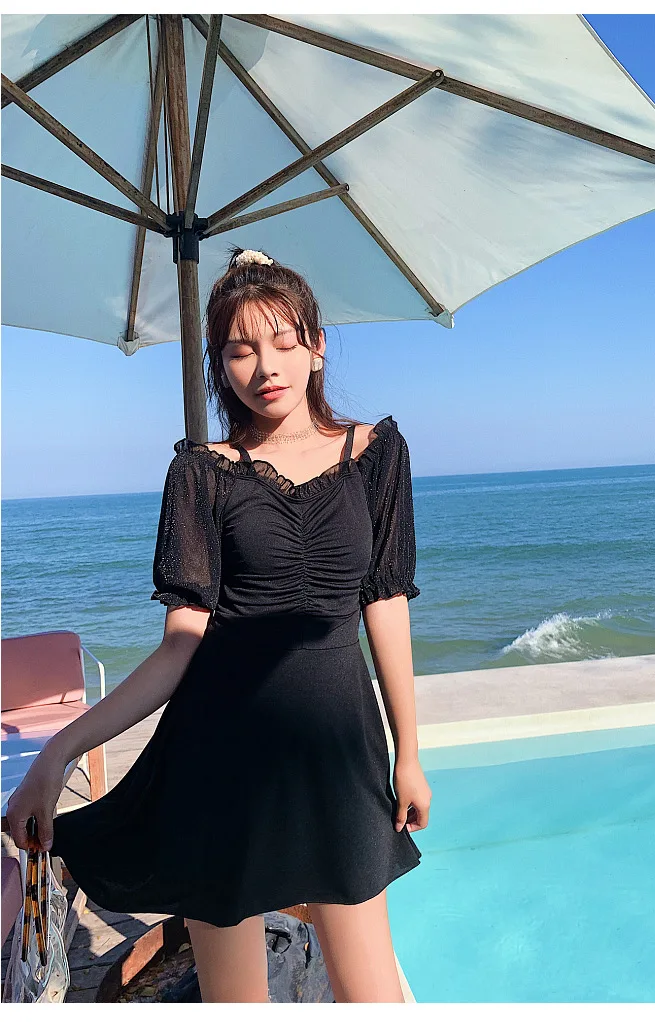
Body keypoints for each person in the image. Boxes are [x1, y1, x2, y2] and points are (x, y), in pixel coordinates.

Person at [6, 247, 432, 1003]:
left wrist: (410, 752)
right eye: (239, 350)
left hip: (339, 749)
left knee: (372, 997)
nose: (264, 366)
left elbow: (385, 603)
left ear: (316, 346)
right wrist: (57, 754)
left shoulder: (375, 455)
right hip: (222, 757)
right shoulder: (200, 473)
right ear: (219, 365)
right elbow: (181, 645)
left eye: (282, 341)